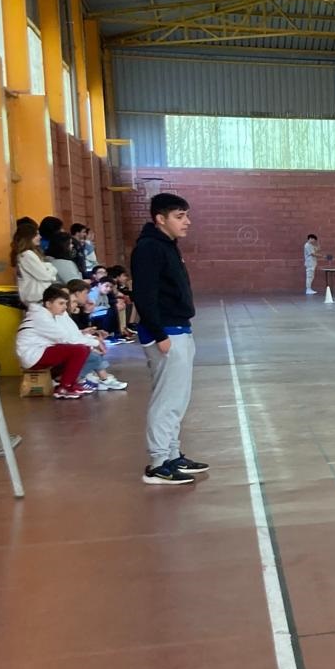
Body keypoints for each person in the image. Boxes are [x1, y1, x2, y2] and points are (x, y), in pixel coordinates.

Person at [131, 193, 208, 487]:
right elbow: (145, 295)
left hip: (178, 328)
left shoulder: (167, 245)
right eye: (179, 216)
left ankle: (173, 454)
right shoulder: (149, 248)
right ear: (160, 219)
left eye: (186, 215)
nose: (187, 221)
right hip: (165, 333)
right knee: (167, 400)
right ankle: (158, 463)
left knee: (178, 398)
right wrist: (159, 334)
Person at [16, 285, 96, 399]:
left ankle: (70, 384)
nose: (65, 307)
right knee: (80, 350)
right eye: (61, 303)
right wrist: (96, 343)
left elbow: (68, 336)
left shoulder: (49, 315)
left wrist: (90, 341)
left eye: (66, 303)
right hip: (32, 356)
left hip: (40, 351)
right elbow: (65, 338)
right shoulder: (41, 317)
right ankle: (64, 388)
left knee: (84, 348)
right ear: (48, 304)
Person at [12, 219, 58, 305]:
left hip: (37, 298)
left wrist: (47, 268)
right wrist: (51, 268)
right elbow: (45, 275)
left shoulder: (27, 254)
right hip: (37, 299)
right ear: (28, 237)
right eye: (36, 234)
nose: (40, 237)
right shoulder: (27, 255)